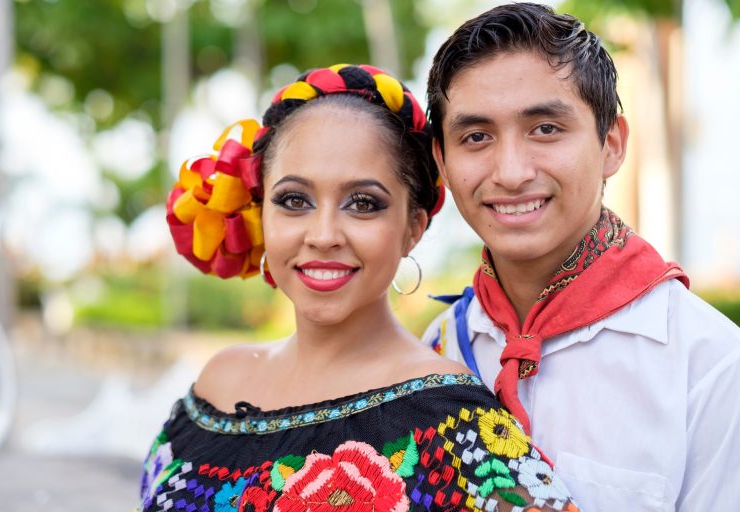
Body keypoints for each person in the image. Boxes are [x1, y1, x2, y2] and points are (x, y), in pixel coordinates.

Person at [141, 64, 580, 512]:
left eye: (363, 204)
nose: (324, 234)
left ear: (413, 228)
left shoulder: (454, 425)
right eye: (295, 201)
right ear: (261, 214)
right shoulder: (217, 381)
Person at [421, 3, 740, 510]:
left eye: (545, 128)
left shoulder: (708, 366)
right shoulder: (437, 351)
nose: (510, 172)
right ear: (442, 159)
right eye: (476, 137)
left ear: (611, 144)